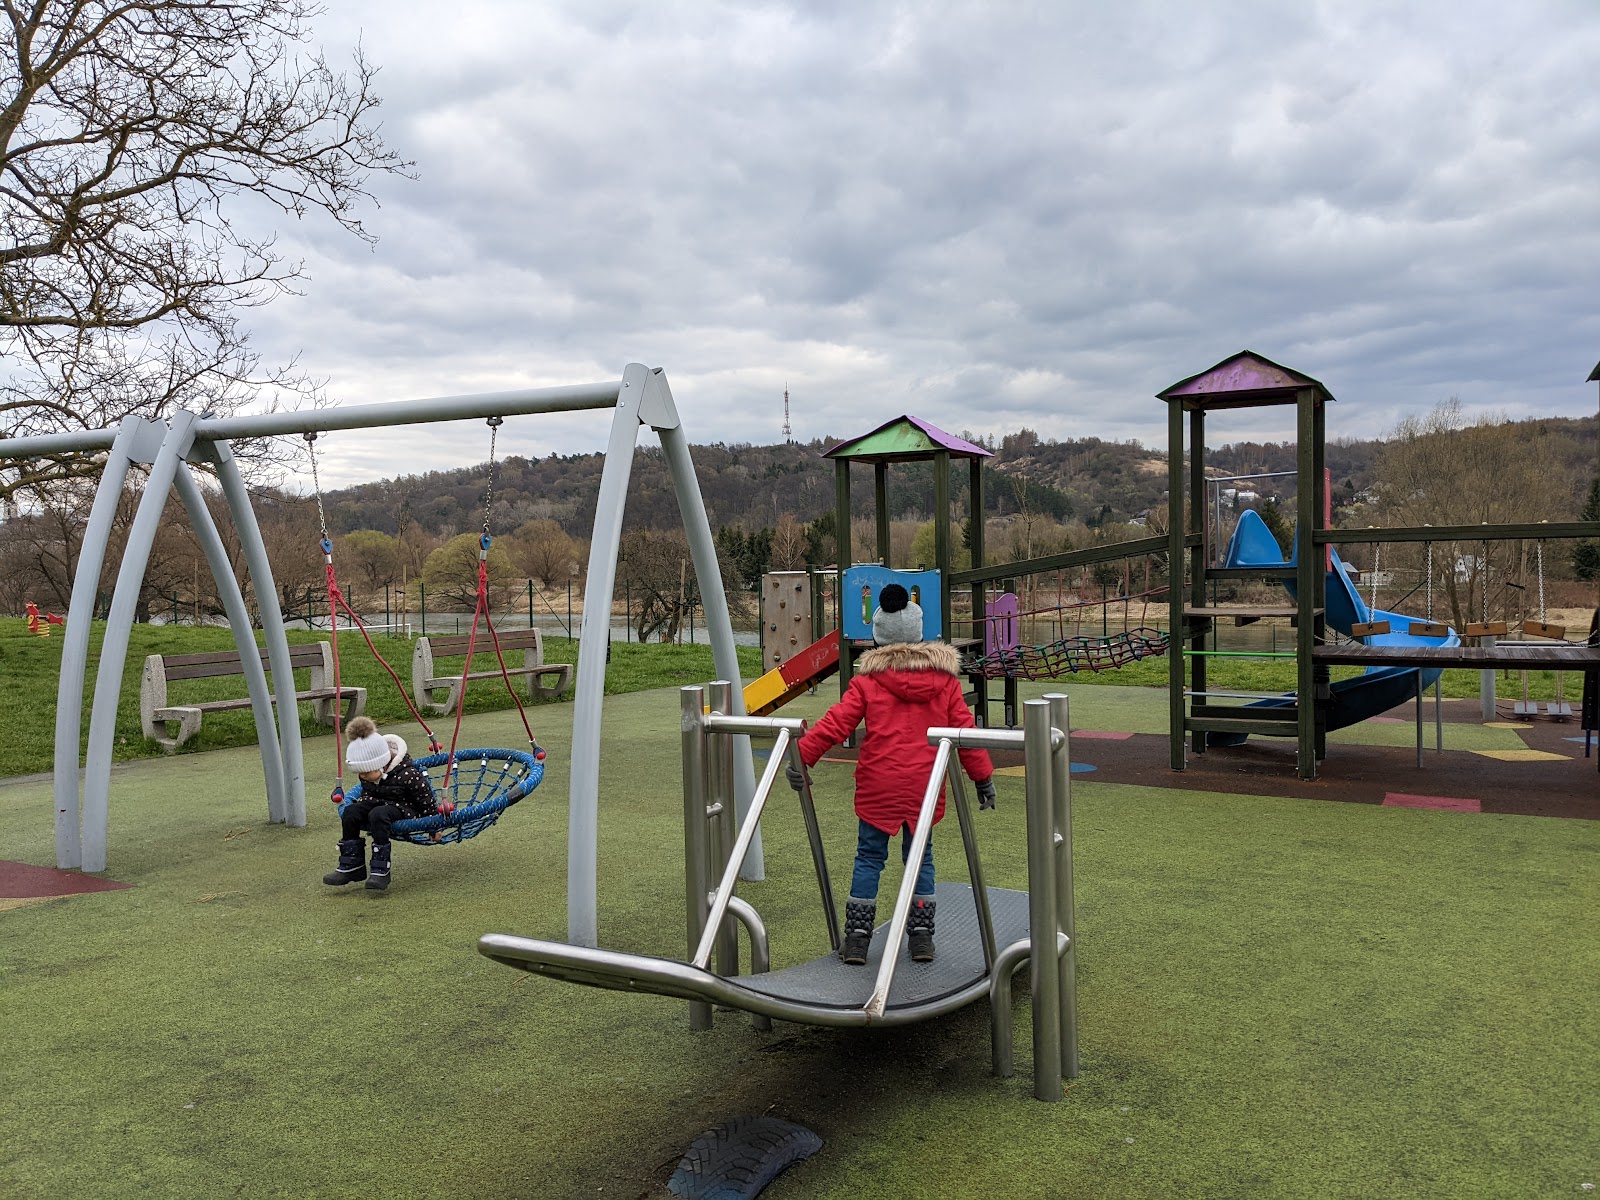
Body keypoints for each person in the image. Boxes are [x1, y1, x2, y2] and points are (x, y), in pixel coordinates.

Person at [787, 583, 997, 965]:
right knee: (921, 858)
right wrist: (982, 778)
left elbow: (837, 723)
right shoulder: (945, 683)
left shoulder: (868, 681)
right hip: (924, 785)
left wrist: (802, 756)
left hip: (879, 784)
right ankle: (920, 936)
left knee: (868, 857)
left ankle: (858, 938)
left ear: (878, 634)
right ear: (918, 632)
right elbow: (965, 734)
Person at [323, 715, 444, 892]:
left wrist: (434, 826)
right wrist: (360, 807)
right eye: (360, 773)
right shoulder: (369, 773)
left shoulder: (408, 774)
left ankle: (381, 869)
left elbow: (425, 800)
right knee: (351, 812)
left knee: (378, 815)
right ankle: (352, 864)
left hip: (406, 808)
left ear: (381, 764)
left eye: (366, 772)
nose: (363, 776)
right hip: (377, 803)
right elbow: (368, 793)